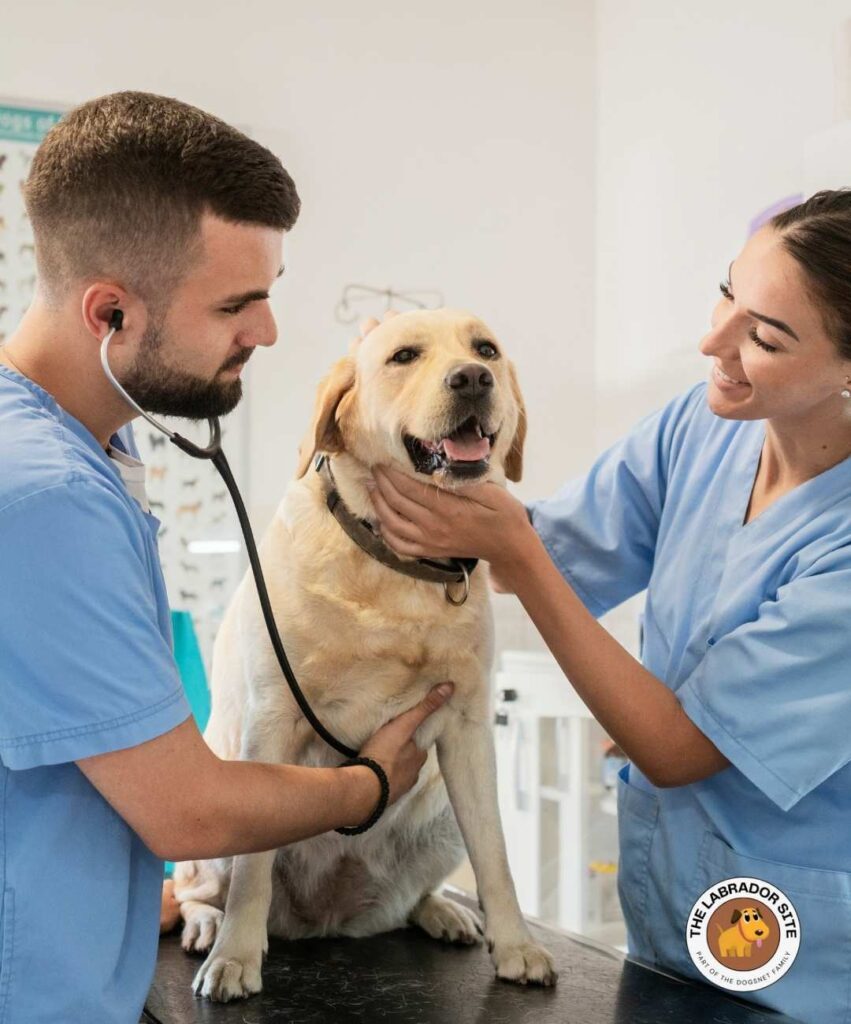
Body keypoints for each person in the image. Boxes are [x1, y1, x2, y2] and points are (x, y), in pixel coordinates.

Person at [0, 91, 453, 1024]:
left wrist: (121, 897)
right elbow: (188, 813)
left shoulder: (79, 449)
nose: (268, 332)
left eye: (270, 293)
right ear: (110, 313)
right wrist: (365, 787)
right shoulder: (47, 496)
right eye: (237, 304)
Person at [369, 190, 851, 1024]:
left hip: (793, 950)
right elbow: (545, 552)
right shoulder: (702, 430)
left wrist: (506, 544)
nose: (713, 342)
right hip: (666, 913)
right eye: (727, 294)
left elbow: (673, 748)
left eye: (763, 337)